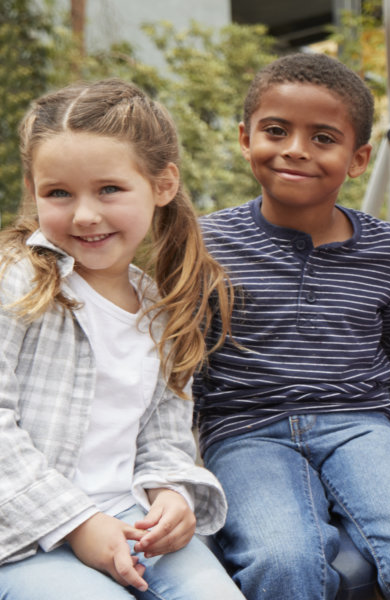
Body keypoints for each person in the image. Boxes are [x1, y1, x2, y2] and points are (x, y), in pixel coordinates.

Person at [195, 53, 390, 599]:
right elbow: (185, 362)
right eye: (275, 131)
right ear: (244, 138)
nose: (296, 149)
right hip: (246, 432)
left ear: (358, 157)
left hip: (360, 425)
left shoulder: (385, 248)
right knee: (282, 558)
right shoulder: (207, 245)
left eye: (323, 138)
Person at [0, 79, 242, 600]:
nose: (85, 214)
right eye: (58, 193)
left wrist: (171, 493)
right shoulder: (16, 281)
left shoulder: (160, 307)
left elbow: (162, 434)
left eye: (109, 189)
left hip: (127, 516)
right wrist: (78, 523)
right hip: (19, 532)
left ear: (163, 185)